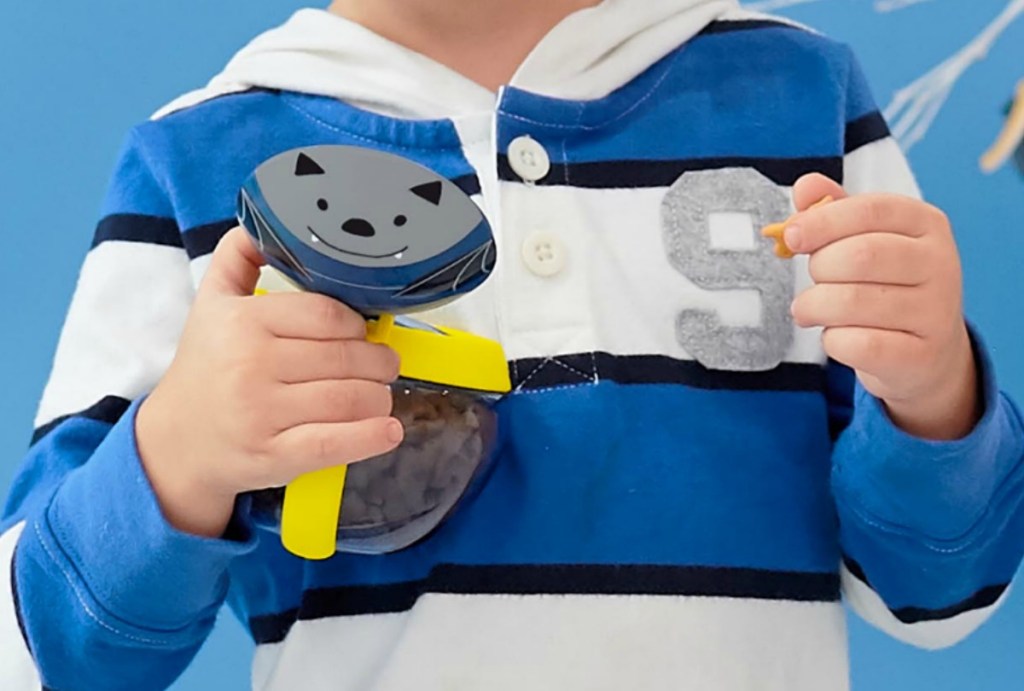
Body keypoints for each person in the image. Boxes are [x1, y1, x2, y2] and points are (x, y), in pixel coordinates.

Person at [3, 1, 1023, 689]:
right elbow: (40, 649)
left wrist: (934, 393)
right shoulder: (194, 161)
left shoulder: (803, 102)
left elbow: (940, 595)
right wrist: (177, 455)